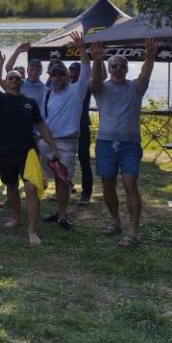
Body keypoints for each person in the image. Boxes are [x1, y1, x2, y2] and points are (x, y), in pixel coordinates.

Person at [0, 51, 62, 245]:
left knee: (31, 189)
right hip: (5, 151)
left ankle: (32, 231)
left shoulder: (30, 103)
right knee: (11, 187)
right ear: (7, 81)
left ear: (22, 81)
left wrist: (54, 147)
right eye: (11, 77)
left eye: (18, 77)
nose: (14, 80)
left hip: (28, 152)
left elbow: (42, 126)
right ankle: (17, 217)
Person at [90, 38, 156, 246]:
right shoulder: (101, 88)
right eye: (113, 66)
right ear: (108, 69)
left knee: (130, 184)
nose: (117, 70)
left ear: (127, 69)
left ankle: (133, 231)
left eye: (121, 67)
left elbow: (145, 74)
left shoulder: (136, 88)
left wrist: (150, 58)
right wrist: (96, 61)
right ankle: (115, 221)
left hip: (129, 144)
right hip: (105, 143)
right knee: (107, 185)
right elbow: (94, 82)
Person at [39, 32, 90, 231]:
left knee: (64, 179)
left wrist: (82, 48)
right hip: (48, 142)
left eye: (62, 74)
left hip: (68, 142)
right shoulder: (47, 94)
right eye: (55, 74)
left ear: (68, 76)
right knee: (53, 177)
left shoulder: (77, 91)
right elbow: (43, 120)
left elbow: (86, 70)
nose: (58, 77)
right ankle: (59, 210)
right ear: (51, 77)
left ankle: (62, 215)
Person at [69, 61, 94, 205]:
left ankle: (86, 192)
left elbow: (93, 77)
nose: (73, 72)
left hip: (82, 126)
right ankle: (68, 186)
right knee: (66, 159)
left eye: (75, 70)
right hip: (68, 127)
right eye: (71, 69)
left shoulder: (85, 86)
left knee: (84, 160)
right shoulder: (66, 85)